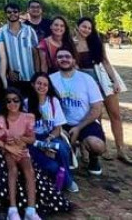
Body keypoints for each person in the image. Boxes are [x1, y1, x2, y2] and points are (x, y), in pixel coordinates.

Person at [0, 69, 70, 216]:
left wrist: (19, 141)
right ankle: (1, 194)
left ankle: (30, 207)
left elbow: (27, 131)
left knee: (31, 173)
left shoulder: (7, 99)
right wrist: (5, 145)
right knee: (1, 160)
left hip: (17, 145)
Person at [75, 17, 132, 164]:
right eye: (84, 26)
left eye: (89, 27)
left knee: (115, 114)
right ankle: (103, 147)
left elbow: (105, 61)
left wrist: (114, 80)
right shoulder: (72, 44)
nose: (86, 30)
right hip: (88, 84)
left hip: (103, 80)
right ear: (77, 27)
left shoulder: (96, 42)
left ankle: (121, 149)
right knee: (96, 117)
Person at [49, 48, 106, 176]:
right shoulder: (50, 80)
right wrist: (58, 128)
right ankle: (70, 151)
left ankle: (93, 158)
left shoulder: (87, 79)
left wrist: (79, 128)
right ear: (56, 61)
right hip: (61, 123)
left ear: (74, 60)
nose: (64, 59)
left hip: (85, 121)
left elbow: (97, 107)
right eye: (60, 57)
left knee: (97, 146)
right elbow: (46, 106)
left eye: (67, 56)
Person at [0, 88, 40, 220]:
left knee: (29, 171)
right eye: (8, 101)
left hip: (23, 151)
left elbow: (32, 139)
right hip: (8, 151)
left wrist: (22, 139)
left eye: (15, 100)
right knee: (12, 170)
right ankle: (12, 209)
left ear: (20, 101)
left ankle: (31, 209)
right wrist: (7, 142)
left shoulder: (26, 117)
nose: (12, 103)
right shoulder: (0, 120)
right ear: (4, 103)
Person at [27, 73, 77, 193]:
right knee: (52, 166)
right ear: (33, 85)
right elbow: (26, 132)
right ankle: (63, 179)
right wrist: (42, 146)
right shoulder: (26, 103)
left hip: (50, 136)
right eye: (39, 83)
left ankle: (67, 179)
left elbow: (58, 127)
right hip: (33, 140)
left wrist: (49, 138)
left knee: (62, 150)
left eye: (45, 84)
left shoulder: (53, 102)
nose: (42, 87)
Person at [0, 2, 39, 94]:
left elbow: (35, 54)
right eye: (9, 12)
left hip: (30, 76)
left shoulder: (29, 30)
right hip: (13, 78)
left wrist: (37, 74)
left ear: (19, 13)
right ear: (6, 14)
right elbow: (2, 54)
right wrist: (8, 71)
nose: (12, 14)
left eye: (15, 11)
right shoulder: (1, 32)